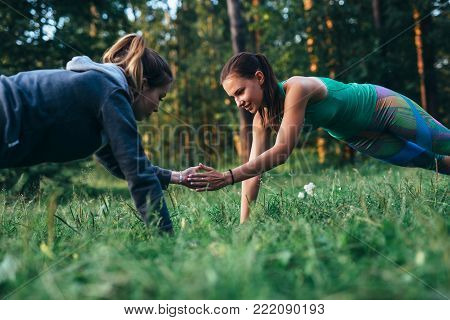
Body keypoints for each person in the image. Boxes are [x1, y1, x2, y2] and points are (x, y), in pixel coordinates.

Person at [187, 52, 450, 223]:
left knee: (442, 143)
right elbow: (254, 174)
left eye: (240, 91)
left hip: (381, 107)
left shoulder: (297, 88)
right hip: (360, 137)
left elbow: (282, 151)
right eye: (233, 97)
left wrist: (228, 176)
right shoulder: (261, 120)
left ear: (259, 77)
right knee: (434, 162)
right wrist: (243, 227)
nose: (238, 102)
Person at [0, 33, 198, 232]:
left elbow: (126, 164)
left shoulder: (104, 90)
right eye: (160, 97)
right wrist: (166, 237)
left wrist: (178, 177)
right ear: (144, 85)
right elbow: (139, 175)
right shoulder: (110, 92)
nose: (157, 108)